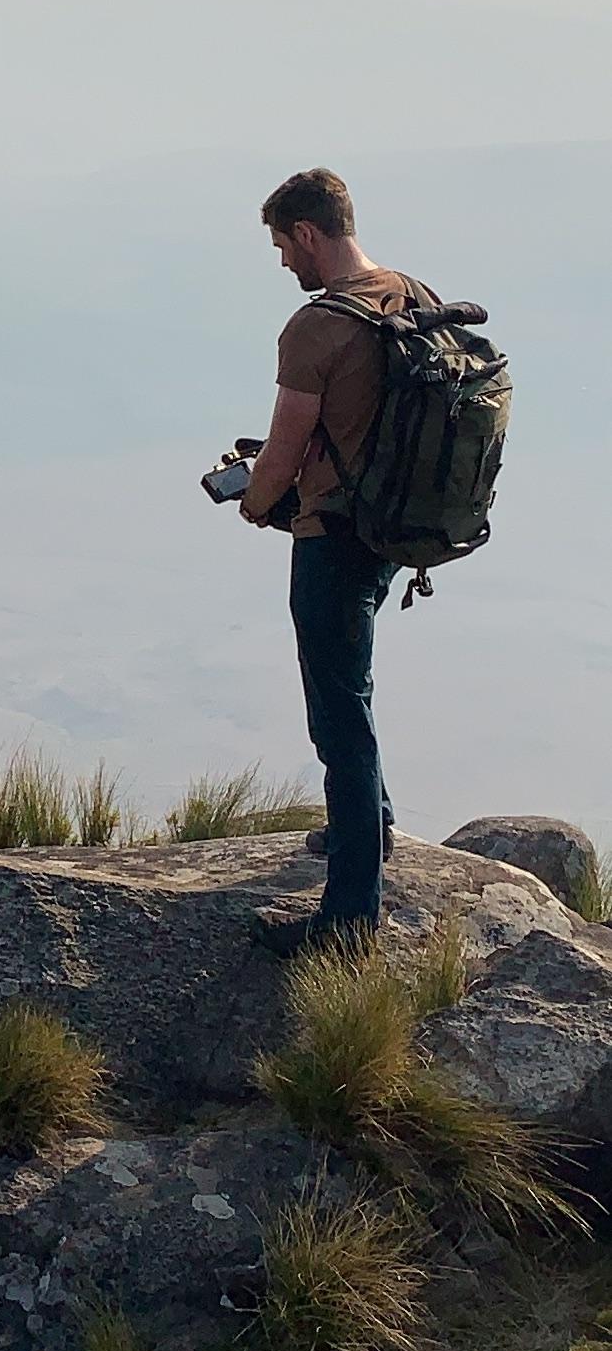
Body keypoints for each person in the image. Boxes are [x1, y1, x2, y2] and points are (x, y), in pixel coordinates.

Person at [239, 170, 430, 952]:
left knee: (338, 719)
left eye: (284, 245)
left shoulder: (315, 327)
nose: (285, 261)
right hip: (394, 531)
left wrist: (252, 501)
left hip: (334, 537)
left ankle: (350, 918)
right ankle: (371, 825)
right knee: (353, 687)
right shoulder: (411, 294)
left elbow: (282, 454)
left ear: (310, 234)